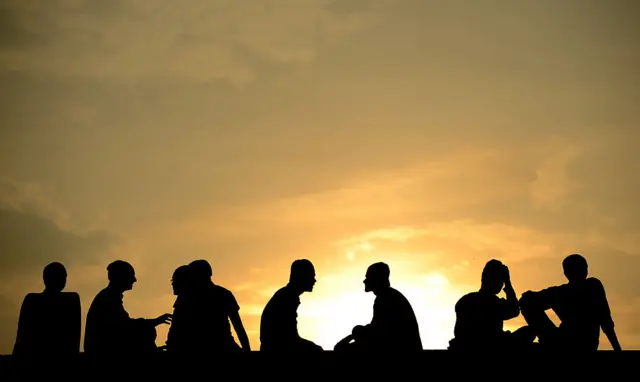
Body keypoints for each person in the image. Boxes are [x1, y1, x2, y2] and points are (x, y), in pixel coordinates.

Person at [519, 254, 622, 351]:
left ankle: (547, 340)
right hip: (572, 342)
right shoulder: (560, 292)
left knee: (527, 302)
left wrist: (617, 348)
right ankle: (548, 340)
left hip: (577, 344)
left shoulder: (591, 287)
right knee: (527, 302)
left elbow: (605, 321)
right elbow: (606, 322)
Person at [84, 260, 172, 356]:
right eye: (131, 275)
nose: (134, 279)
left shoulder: (109, 297)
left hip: (104, 348)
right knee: (145, 331)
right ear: (121, 277)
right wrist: (153, 322)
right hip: (103, 352)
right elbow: (125, 327)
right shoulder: (108, 299)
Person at [448, 259, 534, 351]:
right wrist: (508, 283)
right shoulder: (494, 303)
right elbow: (514, 310)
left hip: (466, 346)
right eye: (501, 280)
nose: (501, 285)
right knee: (530, 330)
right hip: (489, 347)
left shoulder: (464, 300)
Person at [335, 262, 422, 352]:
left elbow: (381, 332)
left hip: (398, 350)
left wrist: (357, 332)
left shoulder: (386, 298)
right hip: (397, 347)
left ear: (376, 279)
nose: (364, 281)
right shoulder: (388, 296)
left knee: (340, 349)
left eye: (367, 277)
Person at [13, 262, 81, 357]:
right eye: (62, 276)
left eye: (64, 276)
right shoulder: (71, 300)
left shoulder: (31, 300)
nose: (64, 279)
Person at [184, 259, 251, 353]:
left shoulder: (189, 297)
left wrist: (247, 350)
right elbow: (238, 326)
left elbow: (238, 326)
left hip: (219, 346)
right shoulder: (224, 293)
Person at [260, 259, 323, 352]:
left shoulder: (286, 295)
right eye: (311, 276)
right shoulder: (287, 298)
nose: (314, 280)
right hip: (276, 349)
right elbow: (289, 337)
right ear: (302, 277)